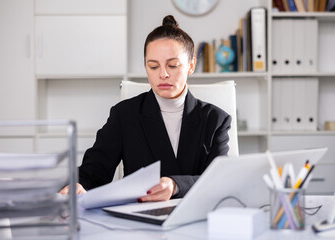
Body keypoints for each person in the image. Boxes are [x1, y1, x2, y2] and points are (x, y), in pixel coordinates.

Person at [60, 15, 231, 202]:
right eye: (153, 66)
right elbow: (94, 171)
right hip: (138, 219)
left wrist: (175, 185)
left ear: (191, 66)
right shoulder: (124, 115)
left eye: (172, 65)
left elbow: (218, 180)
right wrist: (78, 185)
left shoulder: (216, 120)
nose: (163, 74)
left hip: (195, 217)